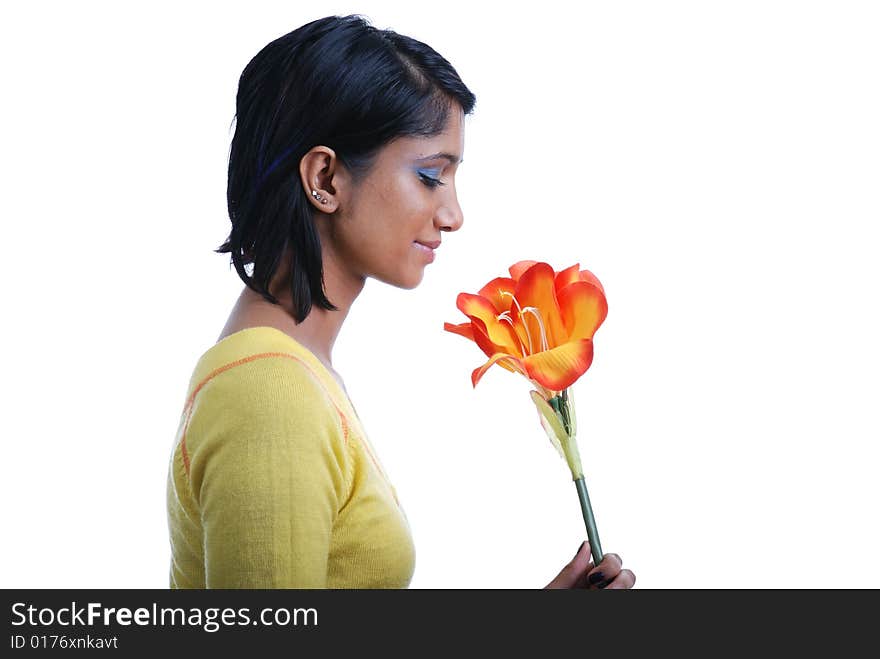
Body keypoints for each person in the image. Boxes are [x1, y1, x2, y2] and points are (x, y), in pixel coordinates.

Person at [165, 13, 636, 590]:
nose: (453, 215)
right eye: (430, 176)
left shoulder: (295, 375)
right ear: (326, 178)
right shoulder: (269, 390)